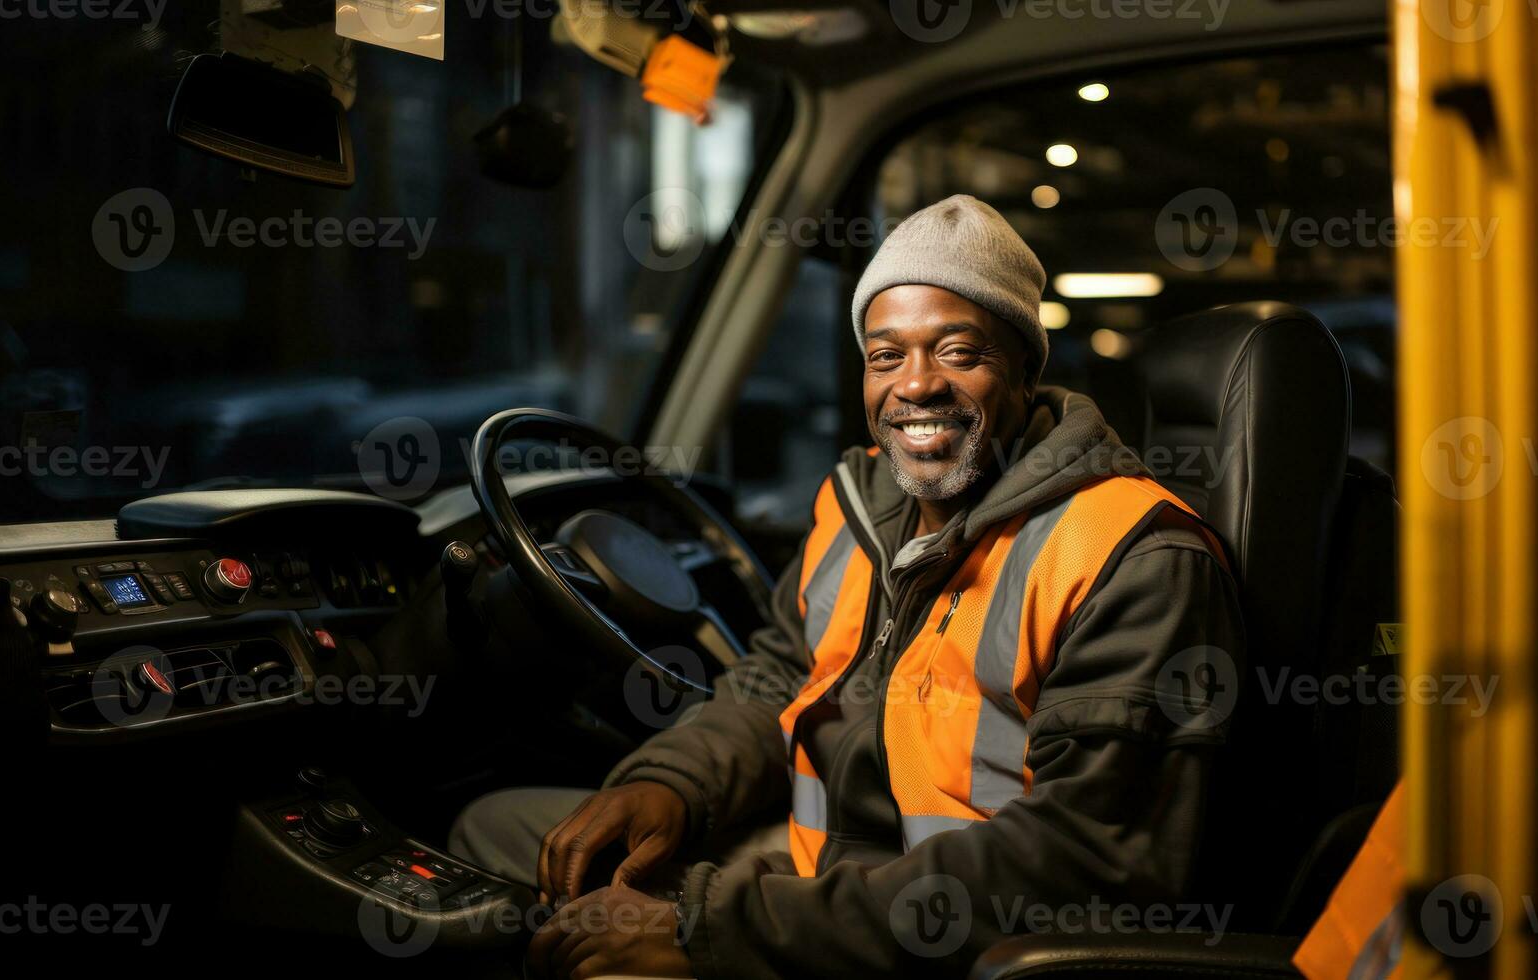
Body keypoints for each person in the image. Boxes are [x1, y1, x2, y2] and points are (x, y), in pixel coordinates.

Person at [449, 194, 1245, 978]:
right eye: (885, 354)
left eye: (959, 351)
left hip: (951, 938)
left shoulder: (1132, 555)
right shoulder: (859, 500)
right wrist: (675, 783)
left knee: (600, 955)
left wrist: (706, 932)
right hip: (818, 865)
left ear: (1024, 370)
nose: (916, 385)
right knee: (492, 832)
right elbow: (786, 674)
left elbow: (1084, 866)